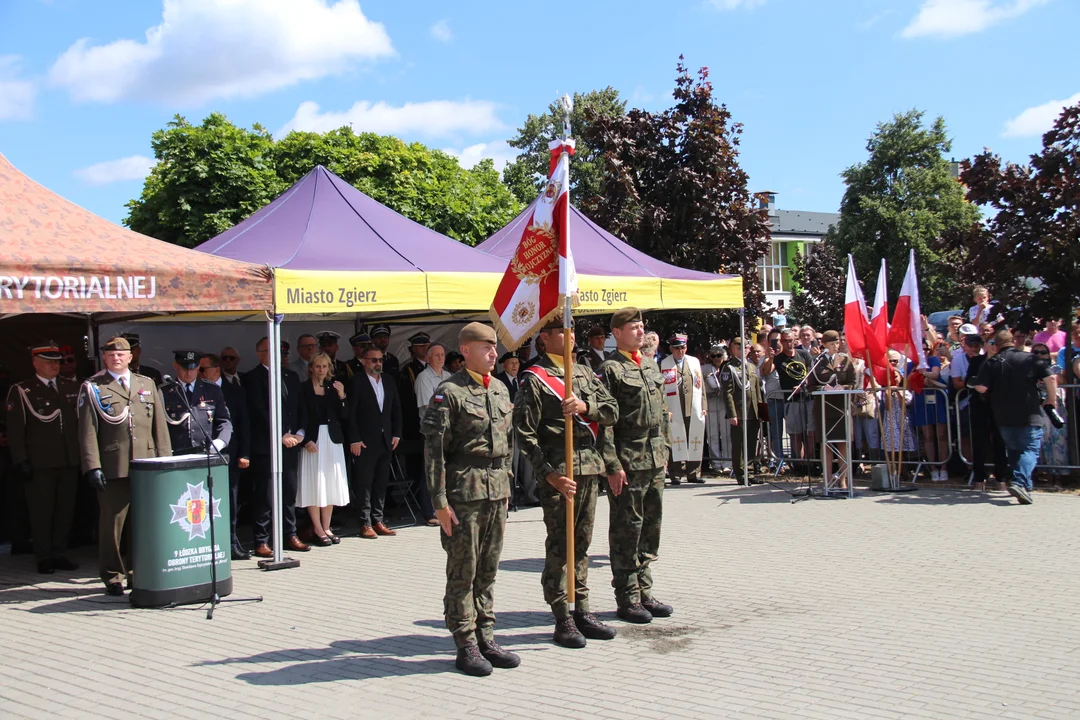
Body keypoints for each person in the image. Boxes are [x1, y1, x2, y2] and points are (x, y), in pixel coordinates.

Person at [514, 318, 619, 649]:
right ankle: (562, 615)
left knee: (582, 542)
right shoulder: (535, 379)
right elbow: (524, 433)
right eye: (562, 331)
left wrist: (586, 406)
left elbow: (613, 411)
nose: (570, 336)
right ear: (545, 338)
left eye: (572, 331)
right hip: (559, 472)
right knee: (561, 544)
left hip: (588, 468)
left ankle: (582, 608)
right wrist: (548, 474)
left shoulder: (585, 371)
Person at [420, 322, 519, 677]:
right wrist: (440, 502)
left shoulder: (501, 392)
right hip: (464, 494)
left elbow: (506, 448)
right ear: (465, 351)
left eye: (495, 347)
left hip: (495, 492)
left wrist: (506, 486)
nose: (494, 353)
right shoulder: (449, 393)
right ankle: (465, 642)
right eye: (486, 347)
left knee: (488, 569)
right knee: (464, 570)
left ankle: (486, 635)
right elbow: (434, 453)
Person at [78, 336, 172, 595]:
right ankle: (113, 575)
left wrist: (165, 461)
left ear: (131, 356)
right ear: (105, 358)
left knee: (142, 524)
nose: (116, 358)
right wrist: (92, 466)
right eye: (111, 355)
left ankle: (138, 570)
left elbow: (159, 427)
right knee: (113, 525)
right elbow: (87, 431)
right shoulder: (94, 386)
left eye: (121, 354)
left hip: (146, 465)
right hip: (113, 465)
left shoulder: (146, 384)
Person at [598, 308, 673, 625]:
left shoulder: (650, 365)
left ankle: (645, 590)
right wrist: (612, 465)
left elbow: (664, 411)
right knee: (628, 528)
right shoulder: (611, 370)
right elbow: (604, 423)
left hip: (654, 457)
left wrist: (667, 449)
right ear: (617, 332)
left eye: (643, 326)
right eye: (634, 327)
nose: (641, 332)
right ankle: (627, 597)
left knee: (650, 527)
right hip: (629, 458)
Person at [5, 343, 81, 574]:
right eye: (48, 361)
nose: (54, 366)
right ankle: (44, 556)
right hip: (40, 463)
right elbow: (16, 430)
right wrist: (21, 460)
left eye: (56, 361)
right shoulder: (22, 390)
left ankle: (59, 553)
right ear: (35, 363)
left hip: (69, 460)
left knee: (65, 511)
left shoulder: (72, 387)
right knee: (41, 513)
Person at [973, 330, 1058, 504]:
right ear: (1013, 341)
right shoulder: (1030, 358)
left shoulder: (992, 362)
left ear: (996, 346)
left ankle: (1024, 488)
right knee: (1030, 449)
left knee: (1014, 450)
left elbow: (981, 388)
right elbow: (1051, 378)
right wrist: (1051, 399)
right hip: (1029, 413)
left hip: (1002, 415)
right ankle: (1020, 483)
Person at [245, 337, 309, 558]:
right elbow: (258, 411)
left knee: (289, 492)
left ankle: (289, 534)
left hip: (291, 444)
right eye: (276, 353)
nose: (282, 358)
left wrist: (300, 433)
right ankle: (262, 540)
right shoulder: (253, 378)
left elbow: (300, 407)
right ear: (260, 353)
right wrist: (280, 435)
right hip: (267, 445)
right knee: (265, 495)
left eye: (284, 354)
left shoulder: (291, 377)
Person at [346, 345, 402, 538]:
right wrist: (354, 438)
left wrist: (396, 433)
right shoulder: (356, 381)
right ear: (363, 361)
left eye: (380, 360)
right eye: (373, 360)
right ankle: (365, 522)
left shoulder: (388, 380)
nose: (378, 363)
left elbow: (396, 409)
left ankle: (378, 519)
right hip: (364, 441)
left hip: (386, 440)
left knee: (381, 482)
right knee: (364, 482)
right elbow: (350, 414)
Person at [199, 354, 251, 560]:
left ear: (216, 370)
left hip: (230, 454)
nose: (200, 374)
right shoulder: (197, 392)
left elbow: (244, 425)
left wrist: (245, 453)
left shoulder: (234, 391)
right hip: (204, 456)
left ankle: (231, 542)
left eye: (204, 369)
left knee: (230, 500)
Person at [297, 353, 350, 546]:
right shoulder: (302, 388)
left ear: (329, 368)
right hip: (313, 440)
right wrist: (305, 440)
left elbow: (344, 415)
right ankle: (317, 528)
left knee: (329, 482)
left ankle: (327, 526)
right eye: (318, 366)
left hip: (332, 439)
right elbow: (298, 415)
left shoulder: (333, 387)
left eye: (325, 367)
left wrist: (343, 396)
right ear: (311, 367)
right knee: (314, 482)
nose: (321, 370)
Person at [806, 331, 856, 487]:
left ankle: (842, 480)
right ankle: (827, 480)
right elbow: (810, 386)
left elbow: (853, 383)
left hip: (841, 408)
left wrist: (843, 387)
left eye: (837, 343)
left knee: (843, 443)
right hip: (824, 409)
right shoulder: (817, 362)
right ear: (825, 345)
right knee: (825, 444)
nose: (836, 346)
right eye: (832, 343)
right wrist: (823, 388)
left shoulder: (846, 361)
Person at [161, 351, 232, 456]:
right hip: (176, 455)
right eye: (184, 369)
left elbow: (224, 421)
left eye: (193, 369)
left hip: (205, 454)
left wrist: (221, 441)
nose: (189, 373)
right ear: (176, 366)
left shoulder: (212, 390)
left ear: (198, 367)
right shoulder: (164, 392)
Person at [660, 334, 706, 484]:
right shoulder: (664, 363)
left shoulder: (694, 362)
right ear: (671, 348)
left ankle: (693, 472)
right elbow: (662, 389)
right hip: (674, 406)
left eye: (683, 347)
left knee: (695, 438)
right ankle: (676, 473)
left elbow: (701, 385)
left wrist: (704, 406)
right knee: (676, 440)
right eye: (677, 348)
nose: (681, 351)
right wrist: (665, 408)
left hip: (692, 405)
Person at [723, 337, 763, 484]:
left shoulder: (751, 367)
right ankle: (740, 474)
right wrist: (732, 414)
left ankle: (750, 471)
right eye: (739, 347)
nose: (743, 349)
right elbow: (727, 392)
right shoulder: (729, 367)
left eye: (745, 347)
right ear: (733, 349)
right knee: (739, 444)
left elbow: (757, 391)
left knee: (751, 442)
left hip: (753, 411)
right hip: (739, 411)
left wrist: (761, 411)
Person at [775, 329, 815, 471]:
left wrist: (803, 386)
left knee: (810, 433)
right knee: (796, 435)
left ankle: (811, 463)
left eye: (790, 340)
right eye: (785, 340)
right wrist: (769, 356)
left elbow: (812, 375)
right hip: (791, 401)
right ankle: (799, 464)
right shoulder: (778, 358)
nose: (788, 343)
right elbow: (765, 371)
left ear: (795, 340)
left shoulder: (804, 354)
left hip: (808, 398)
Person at [703, 345, 731, 475]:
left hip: (724, 404)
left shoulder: (728, 368)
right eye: (713, 356)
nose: (716, 358)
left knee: (726, 434)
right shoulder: (705, 369)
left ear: (724, 356)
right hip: (710, 402)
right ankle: (715, 463)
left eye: (719, 355)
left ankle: (727, 462)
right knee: (712, 435)